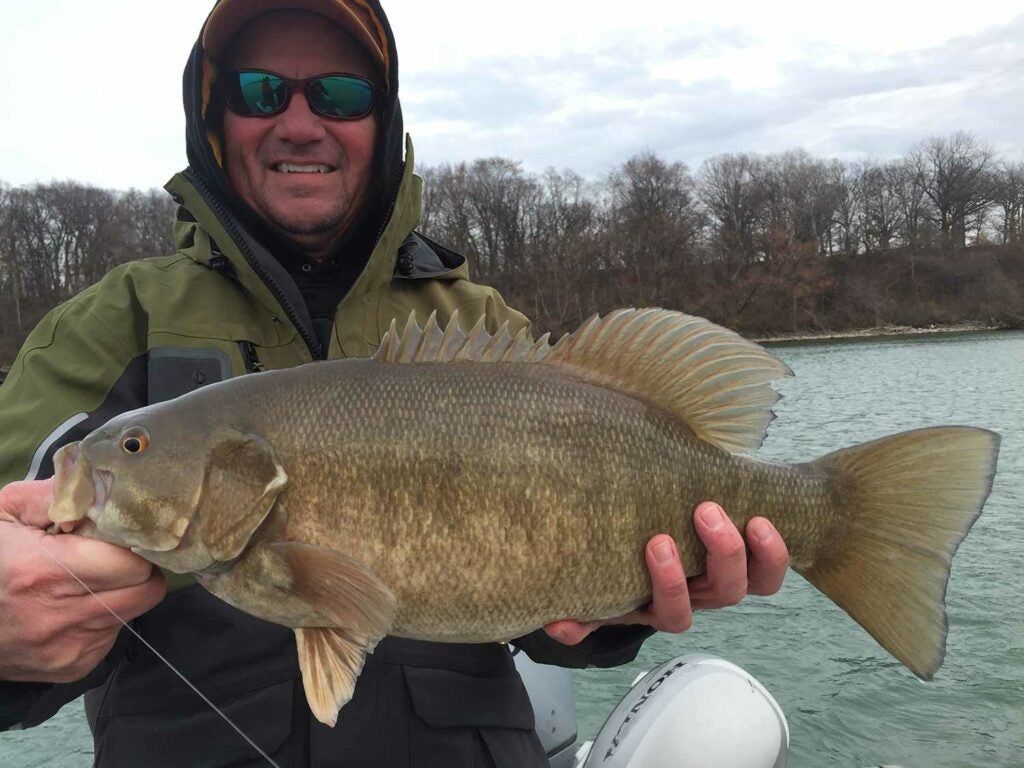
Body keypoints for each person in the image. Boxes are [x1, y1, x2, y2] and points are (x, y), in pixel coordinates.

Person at [0, 1, 790, 765]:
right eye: (259, 90)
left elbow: (549, 625)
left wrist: (624, 612)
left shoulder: (481, 328)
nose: (300, 123)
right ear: (212, 116)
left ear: (385, 122)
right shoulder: (111, 325)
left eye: (341, 94)